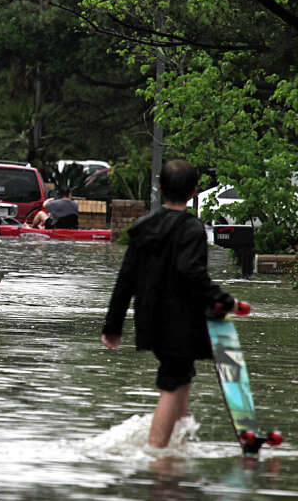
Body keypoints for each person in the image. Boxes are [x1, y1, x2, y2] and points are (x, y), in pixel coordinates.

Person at [102, 159, 238, 448]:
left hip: (150, 318)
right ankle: (158, 455)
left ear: (161, 188)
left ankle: (177, 446)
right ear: (194, 191)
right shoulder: (192, 228)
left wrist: (113, 326)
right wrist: (224, 300)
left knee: (183, 376)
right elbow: (191, 272)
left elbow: (125, 279)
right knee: (173, 382)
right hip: (181, 320)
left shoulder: (142, 227)